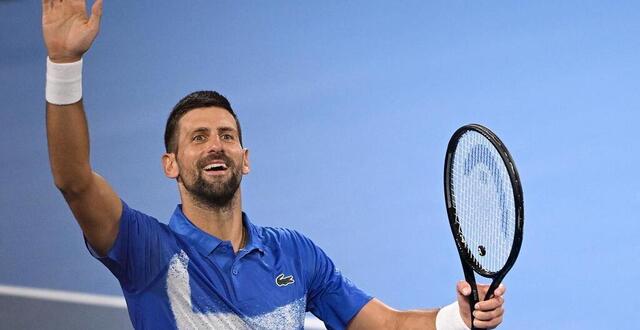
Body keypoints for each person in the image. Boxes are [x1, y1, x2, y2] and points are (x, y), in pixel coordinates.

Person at [42, 0, 506, 329]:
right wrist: (64, 65)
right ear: (171, 164)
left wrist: (455, 318)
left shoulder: (295, 254)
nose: (215, 146)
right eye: (198, 138)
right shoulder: (150, 254)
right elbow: (74, 181)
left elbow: (385, 323)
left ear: (246, 159)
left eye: (227, 136)